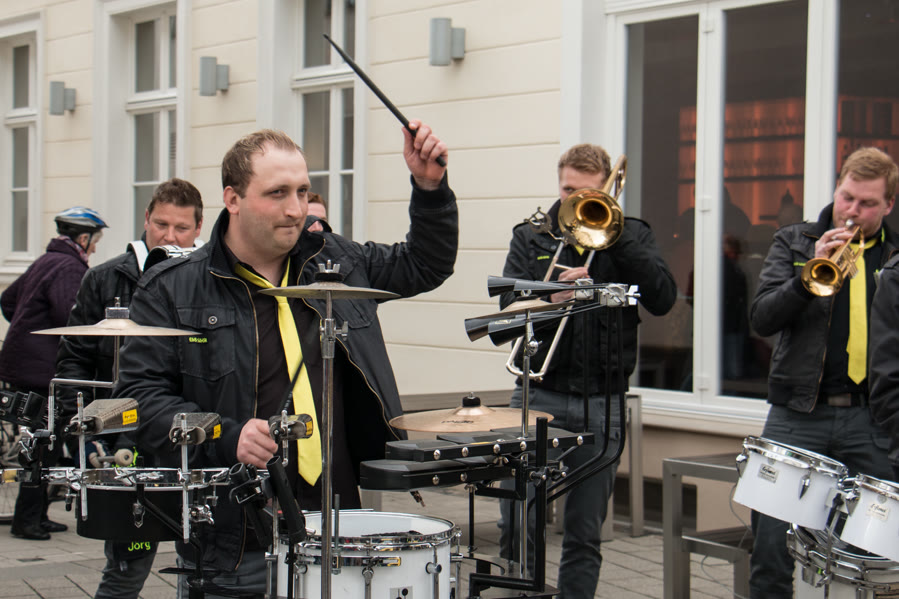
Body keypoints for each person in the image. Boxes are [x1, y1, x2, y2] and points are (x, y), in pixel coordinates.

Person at [113, 121, 457, 597]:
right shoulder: (172, 288)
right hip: (234, 537)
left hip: (337, 521)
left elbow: (425, 264)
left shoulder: (336, 262)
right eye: (277, 193)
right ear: (233, 198)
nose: (295, 209)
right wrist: (224, 434)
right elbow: (139, 401)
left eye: (301, 191)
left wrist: (429, 187)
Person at [497, 143, 676, 599]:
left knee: (584, 530)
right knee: (518, 518)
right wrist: (548, 295)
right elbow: (506, 305)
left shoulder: (630, 234)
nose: (574, 201)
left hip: (603, 400)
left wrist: (618, 237)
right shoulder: (532, 235)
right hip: (539, 392)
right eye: (567, 191)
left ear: (607, 193)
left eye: (586, 194)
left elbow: (663, 298)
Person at [749, 146, 899, 598]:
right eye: (847, 197)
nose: (852, 211)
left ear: (888, 205)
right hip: (798, 414)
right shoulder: (794, 241)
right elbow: (762, 318)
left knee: (879, 554)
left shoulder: (894, 255)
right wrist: (807, 278)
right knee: (772, 547)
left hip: (872, 419)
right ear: (837, 188)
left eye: (867, 203)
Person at [55, 178, 203, 598]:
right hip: (125, 440)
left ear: (199, 228)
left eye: (181, 228)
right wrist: (79, 428)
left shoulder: (210, 281)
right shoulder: (105, 278)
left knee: (203, 566)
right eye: (161, 224)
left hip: (191, 437)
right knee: (127, 565)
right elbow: (74, 359)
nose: (169, 236)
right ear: (146, 219)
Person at [0, 206, 107, 540]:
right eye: (95, 240)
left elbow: (8, 301)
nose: (96, 247)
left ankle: (38, 514)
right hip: (40, 372)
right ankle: (26, 521)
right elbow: (71, 318)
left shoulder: (46, 260)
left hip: (22, 365)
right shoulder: (69, 267)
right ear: (83, 238)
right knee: (43, 445)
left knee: (46, 442)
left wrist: (28, 328)